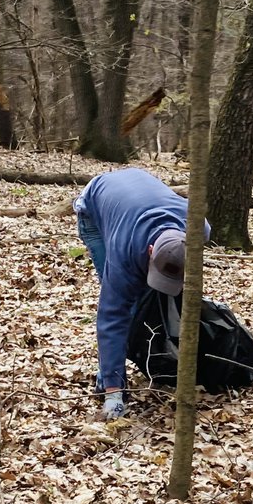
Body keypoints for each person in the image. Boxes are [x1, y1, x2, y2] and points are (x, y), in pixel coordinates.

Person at [74, 168, 210, 420]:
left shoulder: (198, 228)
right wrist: (114, 395)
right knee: (124, 301)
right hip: (93, 204)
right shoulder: (123, 253)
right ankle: (109, 378)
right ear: (149, 251)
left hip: (136, 190)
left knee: (141, 299)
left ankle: (122, 358)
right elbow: (112, 316)